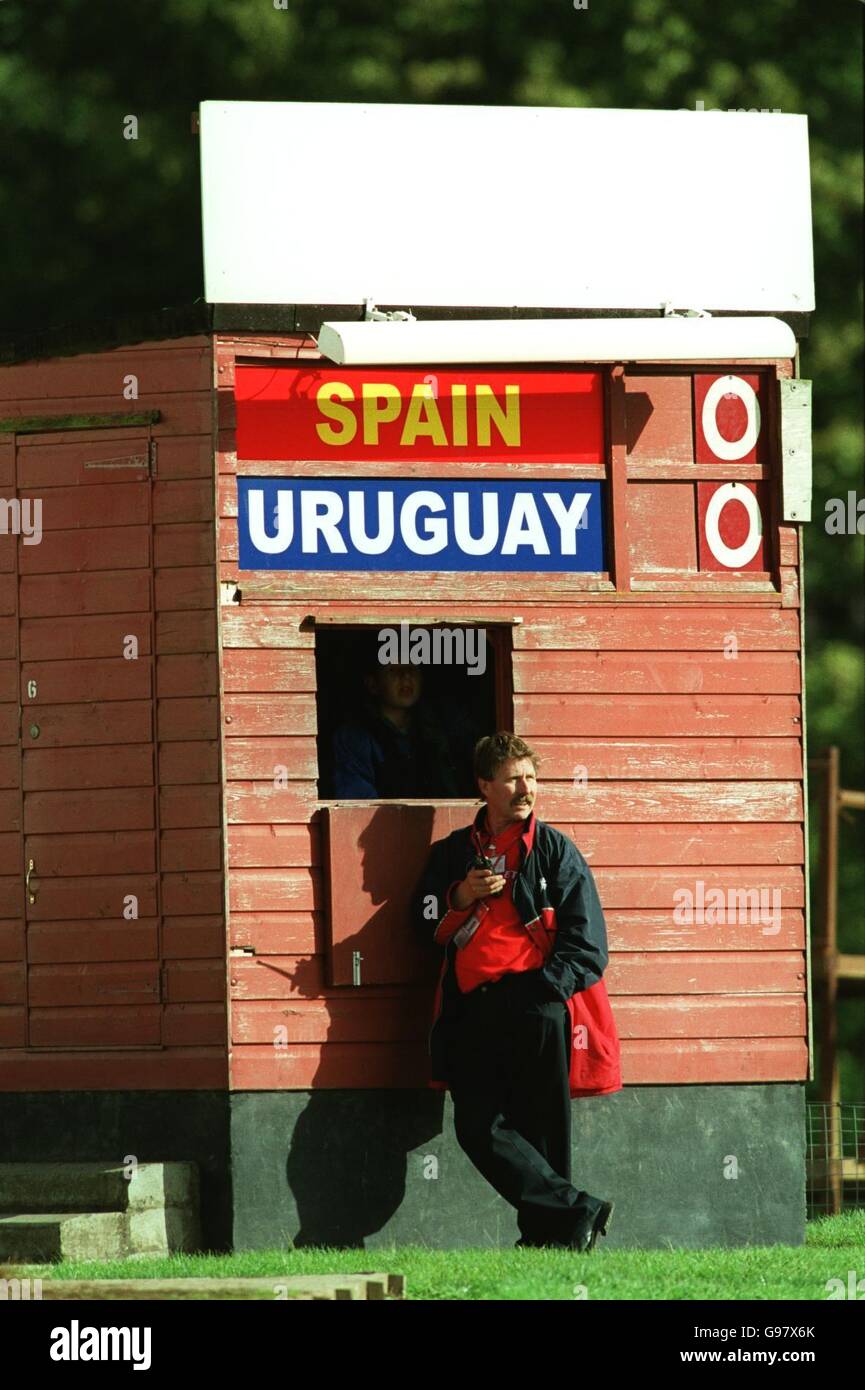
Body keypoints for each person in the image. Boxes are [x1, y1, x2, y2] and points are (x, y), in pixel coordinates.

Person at [413, 731, 616, 1251]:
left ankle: (551, 1236)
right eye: (512, 779)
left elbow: (586, 944)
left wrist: (540, 993)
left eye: (531, 777)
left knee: (542, 1129)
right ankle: (577, 1211)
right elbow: (422, 922)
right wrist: (459, 895)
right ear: (484, 785)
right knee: (477, 1127)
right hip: (471, 1007)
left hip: (534, 1004)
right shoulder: (452, 854)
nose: (526, 788)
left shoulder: (555, 851)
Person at [330, 651, 473, 799]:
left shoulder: (438, 730)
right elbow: (357, 801)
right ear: (373, 684)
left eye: (411, 668)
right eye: (393, 670)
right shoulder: (355, 737)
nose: (405, 676)